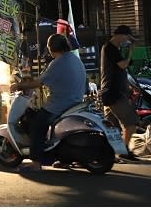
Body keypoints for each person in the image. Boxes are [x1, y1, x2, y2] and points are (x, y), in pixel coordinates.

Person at [10, 33, 87, 172]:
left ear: (51, 48)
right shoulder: (75, 59)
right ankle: (63, 160)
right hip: (75, 103)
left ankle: (36, 163)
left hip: (59, 105)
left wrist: (19, 86)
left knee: (36, 125)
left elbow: (39, 82)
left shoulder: (58, 62)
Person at [100, 25, 140, 162]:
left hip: (112, 92)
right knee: (132, 121)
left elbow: (119, 71)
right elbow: (122, 65)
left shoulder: (113, 49)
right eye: (127, 37)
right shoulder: (109, 48)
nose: (128, 40)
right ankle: (124, 151)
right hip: (113, 94)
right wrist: (130, 51)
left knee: (114, 127)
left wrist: (129, 86)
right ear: (121, 35)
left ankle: (115, 152)